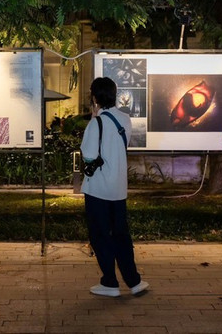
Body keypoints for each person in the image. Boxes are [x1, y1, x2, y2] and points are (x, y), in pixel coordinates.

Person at [80, 77, 149, 297]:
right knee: (121, 236)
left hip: (98, 189)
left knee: (100, 236)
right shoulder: (125, 120)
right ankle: (134, 281)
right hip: (118, 189)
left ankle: (110, 282)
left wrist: (94, 117)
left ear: (95, 98)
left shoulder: (96, 123)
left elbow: (89, 155)